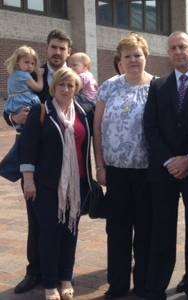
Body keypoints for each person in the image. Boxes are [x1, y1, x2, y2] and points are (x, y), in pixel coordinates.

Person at [143, 31, 188, 300]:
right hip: (164, 170)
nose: (177, 52)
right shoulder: (158, 85)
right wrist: (169, 160)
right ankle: (157, 285)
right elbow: (150, 127)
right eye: (172, 47)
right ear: (168, 52)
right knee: (162, 228)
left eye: (182, 47)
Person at [3, 29, 72, 295]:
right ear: (47, 48)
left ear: (68, 50)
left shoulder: (74, 75)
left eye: (62, 48)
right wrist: (12, 119)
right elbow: (10, 106)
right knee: (36, 219)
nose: (57, 52)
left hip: (67, 162)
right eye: (53, 47)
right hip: (33, 163)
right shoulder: (32, 73)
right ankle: (36, 271)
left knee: (66, 217)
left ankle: (62, 271)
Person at [19, 67, 94, 300]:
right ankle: (50, 283)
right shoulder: (41, 111)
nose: (65, 89)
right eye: (61, 84)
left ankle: (65, 277)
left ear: (76, 88)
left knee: (70, 232)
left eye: (70, 85)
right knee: (49, 234)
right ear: (53, 87)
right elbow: (28, 148)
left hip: (76, 184)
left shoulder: (81, 112)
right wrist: (29, 181)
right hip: (48, 186)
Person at [93, 33, 154, 299]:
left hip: (147, 173)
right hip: (115, 171)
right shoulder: (109, 86)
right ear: (120, 60)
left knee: (144, 231)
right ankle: (117, 284)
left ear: (145, 57)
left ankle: (142, 283)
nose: (133, 60)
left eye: (137, 54)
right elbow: (97, 127)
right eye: (128, 55)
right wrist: (100, 165)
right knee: (117, 230)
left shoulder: (158, 87)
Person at [4, 45, 44, 131]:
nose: (30, 66)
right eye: (26, 62)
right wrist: (40, 76)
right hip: (26, 102)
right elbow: (38, 88)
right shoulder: (25, 75)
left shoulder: (12, 75)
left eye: (32, 63)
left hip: (13, 105)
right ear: (18, 61)